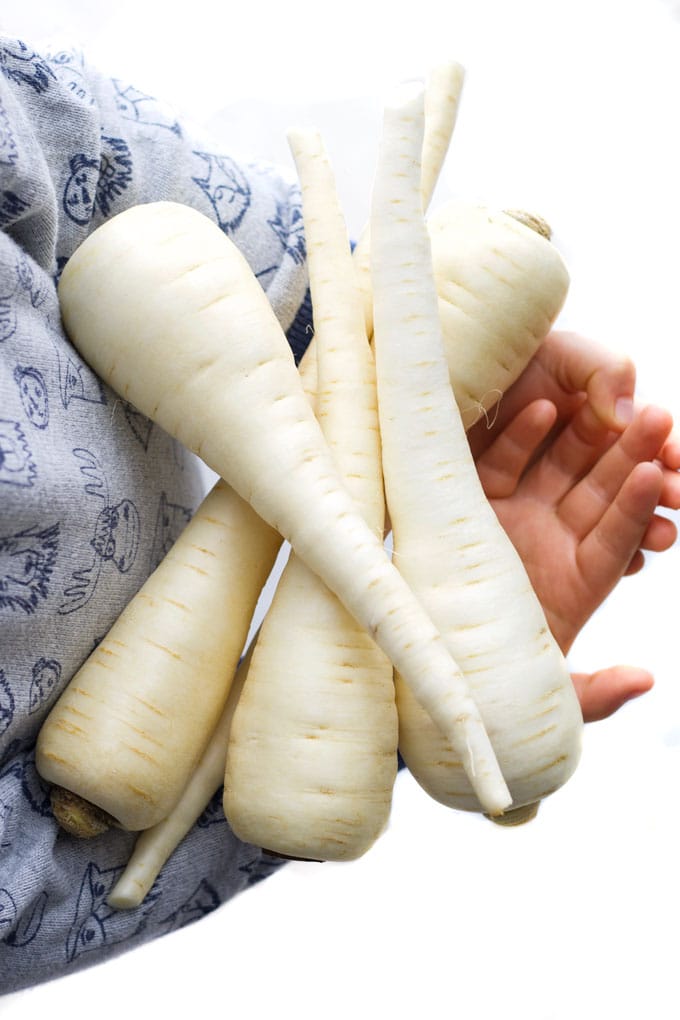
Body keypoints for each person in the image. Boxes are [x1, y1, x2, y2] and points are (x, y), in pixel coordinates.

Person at [0, 33, 677, 995]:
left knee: (307, 499)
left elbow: (69, 146)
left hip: (192, 331)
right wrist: (402, 714)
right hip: (167, 737)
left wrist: (348, 315)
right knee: (309, 517)